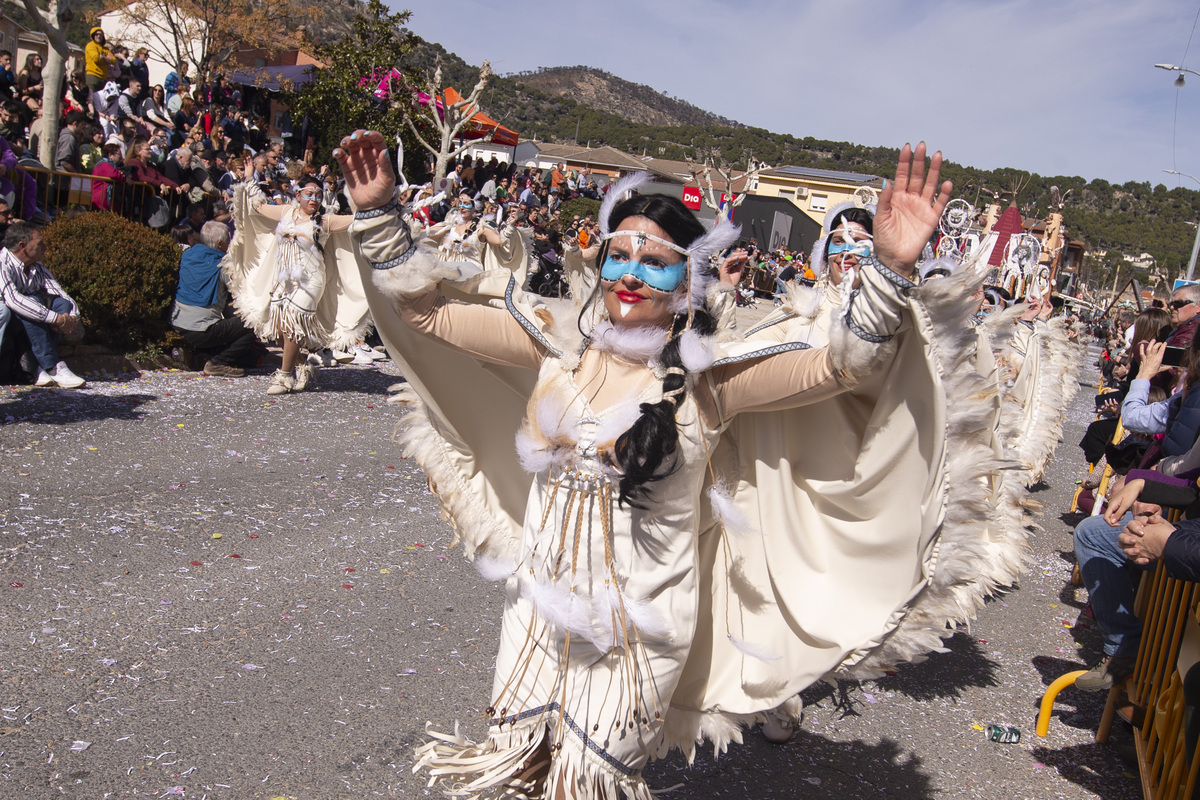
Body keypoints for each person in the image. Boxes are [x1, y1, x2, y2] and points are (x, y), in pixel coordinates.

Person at [337, 131, 974, 797]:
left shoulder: (709, 383)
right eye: (618, 256)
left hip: (643, 635)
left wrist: (892, 270)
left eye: (655, 261)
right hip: (537, 614)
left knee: (586, 786)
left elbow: (843, 366)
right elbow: (427, 314)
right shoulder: (558, 344)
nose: (631, 273)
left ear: (687, 284)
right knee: (522, 774)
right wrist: (382, 212)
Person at [223, 166, 370, 395]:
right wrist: (251, 178)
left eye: (319, 195)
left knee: (292, 324)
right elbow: (258, 207)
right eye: (309, 194)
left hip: (310, 281)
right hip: (284, 279)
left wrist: (377, 206)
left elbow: (357, 220)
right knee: (280, 328)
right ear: (298, 195)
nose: (314, 199)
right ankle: (301, 364)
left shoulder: (325, 220)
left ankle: (284, 377)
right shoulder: (286, 213)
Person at [0, 221, 85, 388]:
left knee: (61, 304)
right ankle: (52, 365)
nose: (45, 248)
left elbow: (62, 294)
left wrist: (72, 317)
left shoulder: (37, 267)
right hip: (8, 319)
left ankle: (37, 367)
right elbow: (14, 300)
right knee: (33, 303)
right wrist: (54, 318)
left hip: (30, 321)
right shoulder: (2, 263)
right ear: (22, 245)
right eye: (40, 244)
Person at [170, 220, 256, 376]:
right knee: (252, 324)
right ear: (220, 243)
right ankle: (218, 363)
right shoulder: (223, 265)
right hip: (201, 329)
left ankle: (199, 355)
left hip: (177, 322)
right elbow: (240, 292)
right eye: (228, 240)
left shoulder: (187, 254)